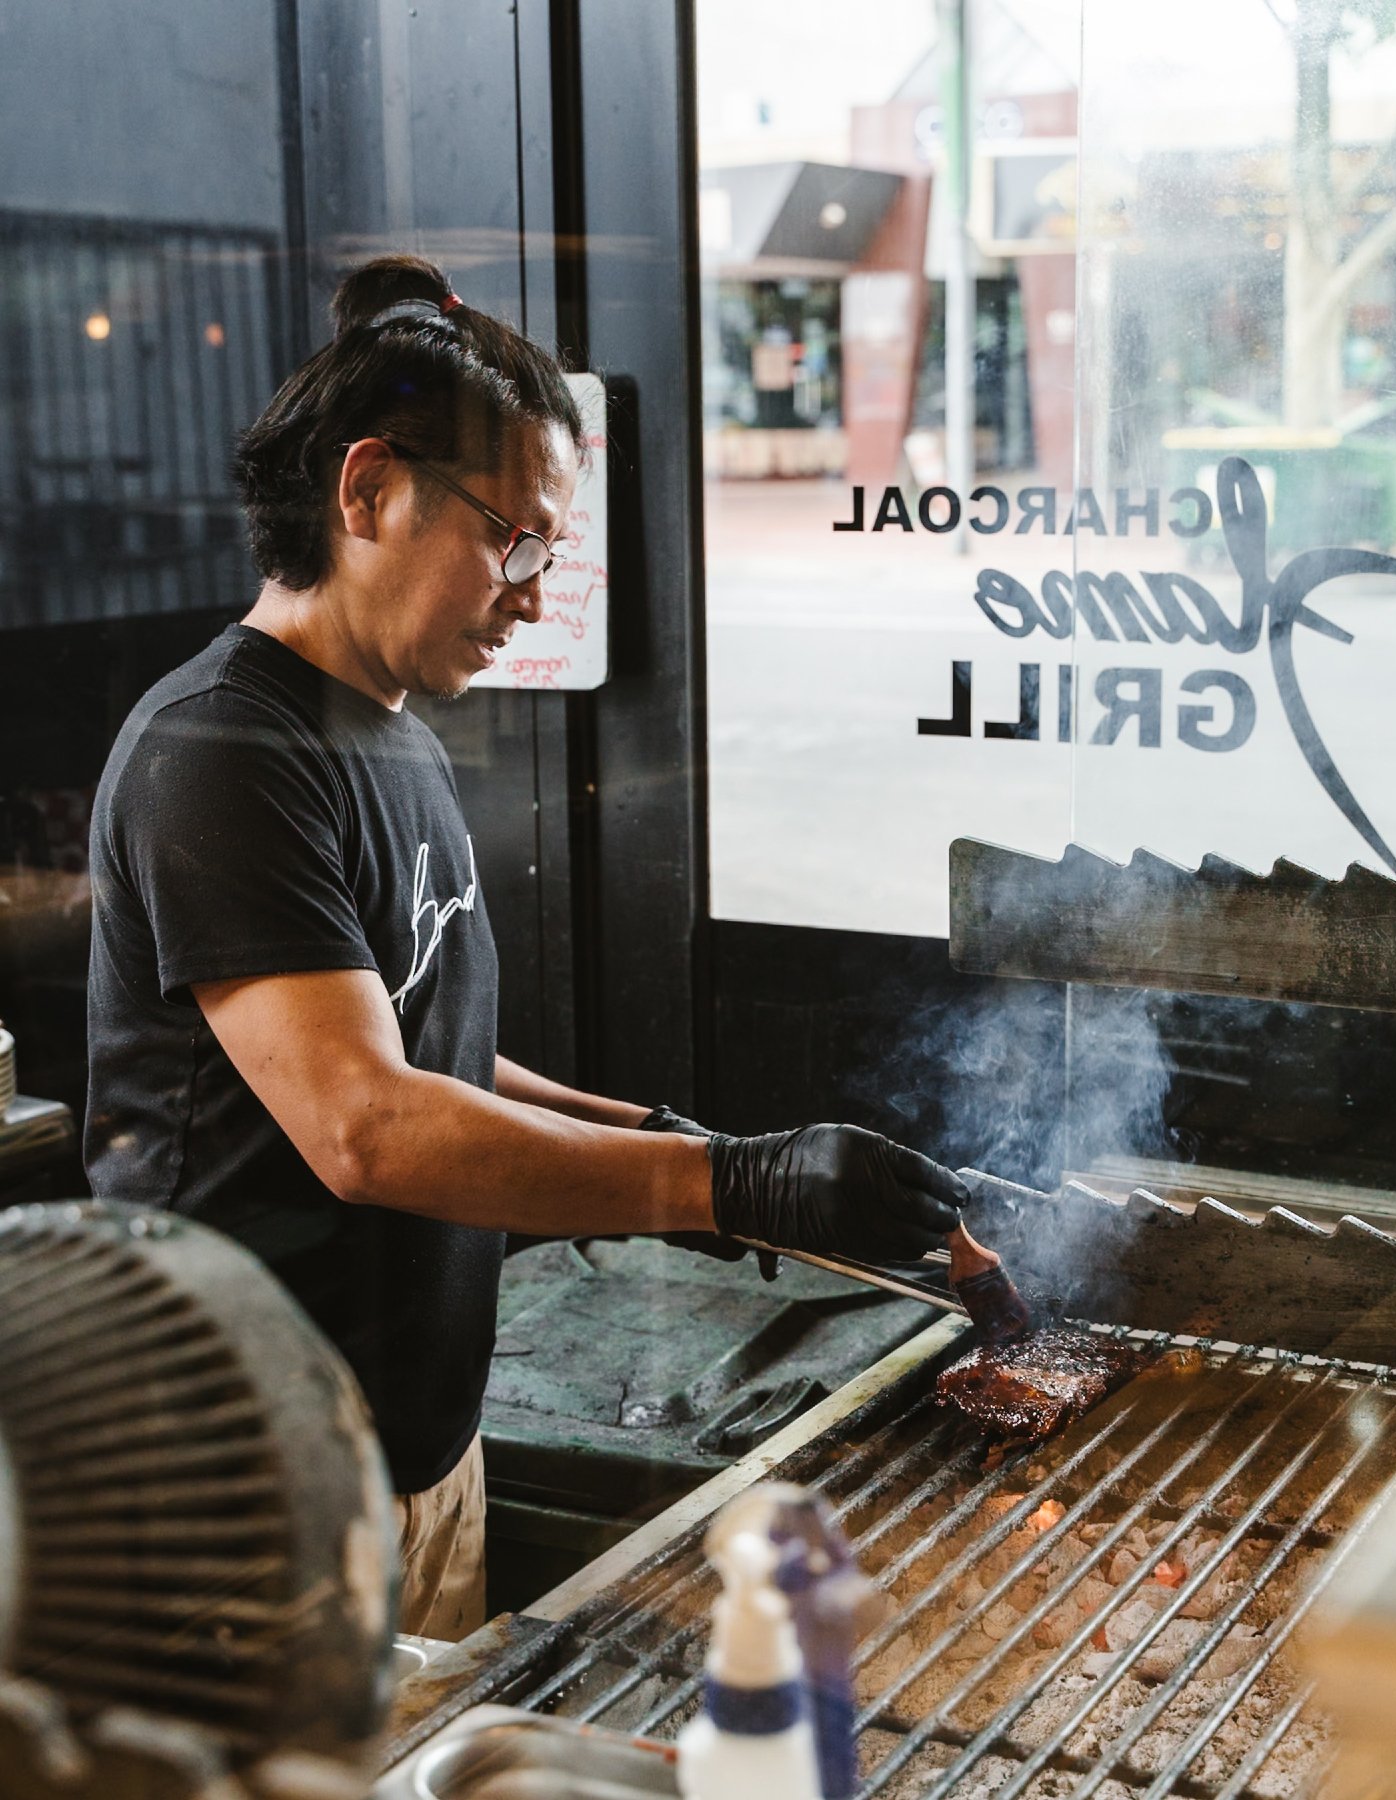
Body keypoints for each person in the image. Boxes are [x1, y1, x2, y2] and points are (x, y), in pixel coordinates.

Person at [85, 254, 1003, 1641]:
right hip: (243, 1488)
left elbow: (431, 1048)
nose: (532, 590)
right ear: (369, 490)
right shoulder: (220, 749)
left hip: (413, 1449)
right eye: (515, 540)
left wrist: (664, 1136)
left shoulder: (388, 733)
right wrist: (724, 1185)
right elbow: (367, 1124)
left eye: (549, 554)